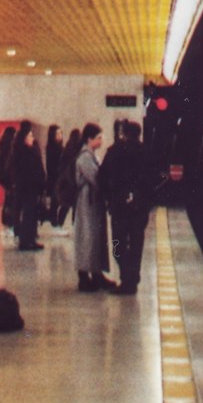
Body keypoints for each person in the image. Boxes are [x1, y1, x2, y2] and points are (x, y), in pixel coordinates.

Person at [97, 119, 157, 295]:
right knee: (136, 244)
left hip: (119, 208)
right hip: (140, 209)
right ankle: (132, 280)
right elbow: (153, 181)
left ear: (124, 133)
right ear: (138, 134)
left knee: (118, 245)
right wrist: (144, 200)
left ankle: (126, 278)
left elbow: (102, 179)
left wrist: (109, 199)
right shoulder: (147, 153)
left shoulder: (114, 152)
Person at [72, 123, 112, 292]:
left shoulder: (91, 156)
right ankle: (84, 276)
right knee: (88, 238)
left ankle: (96, 274)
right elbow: (97, 179)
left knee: (95, 238)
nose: (101, 141)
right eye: (98, 138)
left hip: (93, 203)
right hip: (87, 204)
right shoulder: (85, 158)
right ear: (89, 139)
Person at [11, 120, 45, 250]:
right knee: (28, 214)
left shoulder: (31, 150)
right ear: (24, 138)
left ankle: (31, 239)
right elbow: (26, 171)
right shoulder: (23, 153)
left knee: (32, 214)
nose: (32, 138)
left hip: (32, 188)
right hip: (26, 188)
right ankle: (25, 241)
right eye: (30, 136)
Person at [55, 127, 81, 227]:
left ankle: (59, 224)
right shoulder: (78, 150)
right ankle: (75, 225)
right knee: (76, 206)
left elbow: (61, 166)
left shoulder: (66, 149)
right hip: (74, 182)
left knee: (65, 206)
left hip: (66, 182)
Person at [0, 124, 17, 233]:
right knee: (10, 201)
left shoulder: (1, 146)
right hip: (8, 177)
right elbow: (8, 165)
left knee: (8, 200)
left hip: (3, 176)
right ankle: (9, 224)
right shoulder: (9, 148)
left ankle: (7, 224)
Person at [45, 124, 63, 224]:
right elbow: (52, 166)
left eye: (61, 133)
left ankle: (55, 222)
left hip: (56, 178)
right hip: (54, 178)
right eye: (58, 133)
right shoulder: (53, 148)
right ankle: (55, 223)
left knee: (56, 202)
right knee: (55, 202)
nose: (60, 135)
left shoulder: (59, 147)